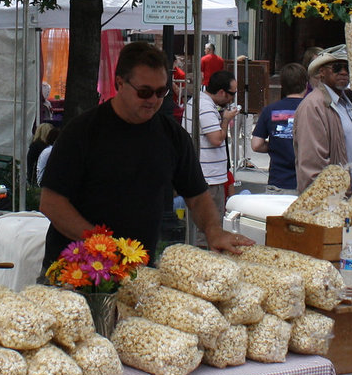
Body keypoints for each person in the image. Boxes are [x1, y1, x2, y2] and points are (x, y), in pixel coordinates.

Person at [40, 40, 254, 264]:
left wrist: (213, 230)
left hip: (138, 268)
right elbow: (51, 203)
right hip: (77, 268)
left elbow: (198, 196)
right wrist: (102, 244)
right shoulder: (82, 131)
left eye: (161, 92)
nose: (153, 100)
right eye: (144, 92)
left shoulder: (172, 135)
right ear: (119, 83)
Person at [292, 46, 352, 192]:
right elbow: (312, 166)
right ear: (321, 72)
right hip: (332, 204)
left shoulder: (344, 105)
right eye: (337, 67)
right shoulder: (313, 106)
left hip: (350, 202)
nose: (344, 72)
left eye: (348, 68)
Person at [185, 70, 237, 223]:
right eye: (232, 93)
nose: (233, 98)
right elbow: (216, 139)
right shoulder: (206, 107)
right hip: (210, 178)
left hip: (205, 174)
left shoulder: (198, 102)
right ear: (221, 92)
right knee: (210, 226)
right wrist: (226, 120)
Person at [251, 62, 309, 193]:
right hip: (306, 183)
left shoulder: (270, 110)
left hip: (278, 182)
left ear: (282, 85)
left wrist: (275, 145)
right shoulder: (314, 110)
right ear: (306, 85)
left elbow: (256, 145)